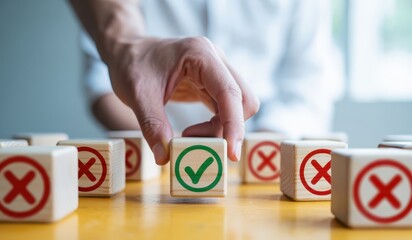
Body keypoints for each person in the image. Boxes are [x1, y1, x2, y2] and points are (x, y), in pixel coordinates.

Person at [70, 0, 343, 165]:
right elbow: (102, 86)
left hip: (258, 152)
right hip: (150, 157)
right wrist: (170, 144)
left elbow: (308, 89)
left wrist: (253, 153)